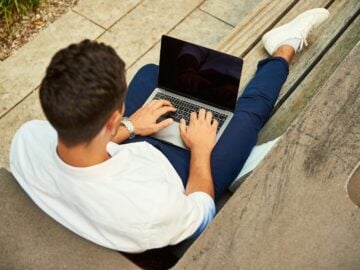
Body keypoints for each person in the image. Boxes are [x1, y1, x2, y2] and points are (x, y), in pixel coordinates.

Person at [10, 8, 329, 253]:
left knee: (151, 75)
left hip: (127, 152)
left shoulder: (27, 139)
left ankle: (231, 143)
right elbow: (201, 216)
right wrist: (202, 150)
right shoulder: (150, 211)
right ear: (110, 119)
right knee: (249, 110)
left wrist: (131, 125)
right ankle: (285, 47)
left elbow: (86, 149)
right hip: (180, 175)